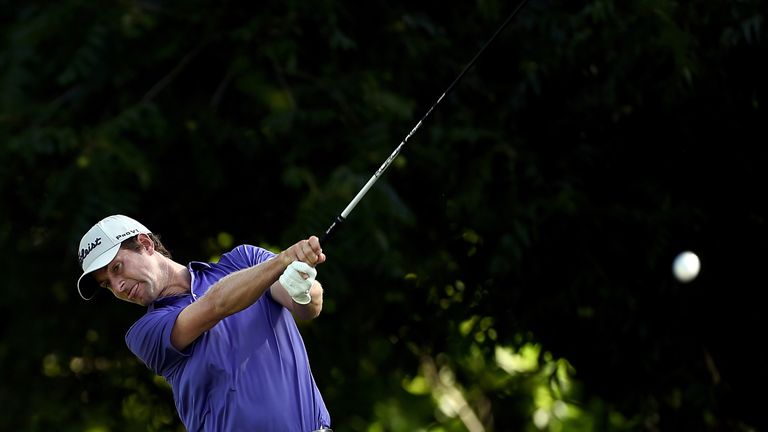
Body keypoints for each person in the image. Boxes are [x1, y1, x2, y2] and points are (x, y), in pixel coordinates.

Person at [76, 214, 333, 432]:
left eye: (117, 268)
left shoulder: (244, 260)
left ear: (145, 244)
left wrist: (303, 288)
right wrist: (283, 260)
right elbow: (215, 306)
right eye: (107, 284)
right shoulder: (145, 333)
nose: (118, 286)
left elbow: (308, 307)